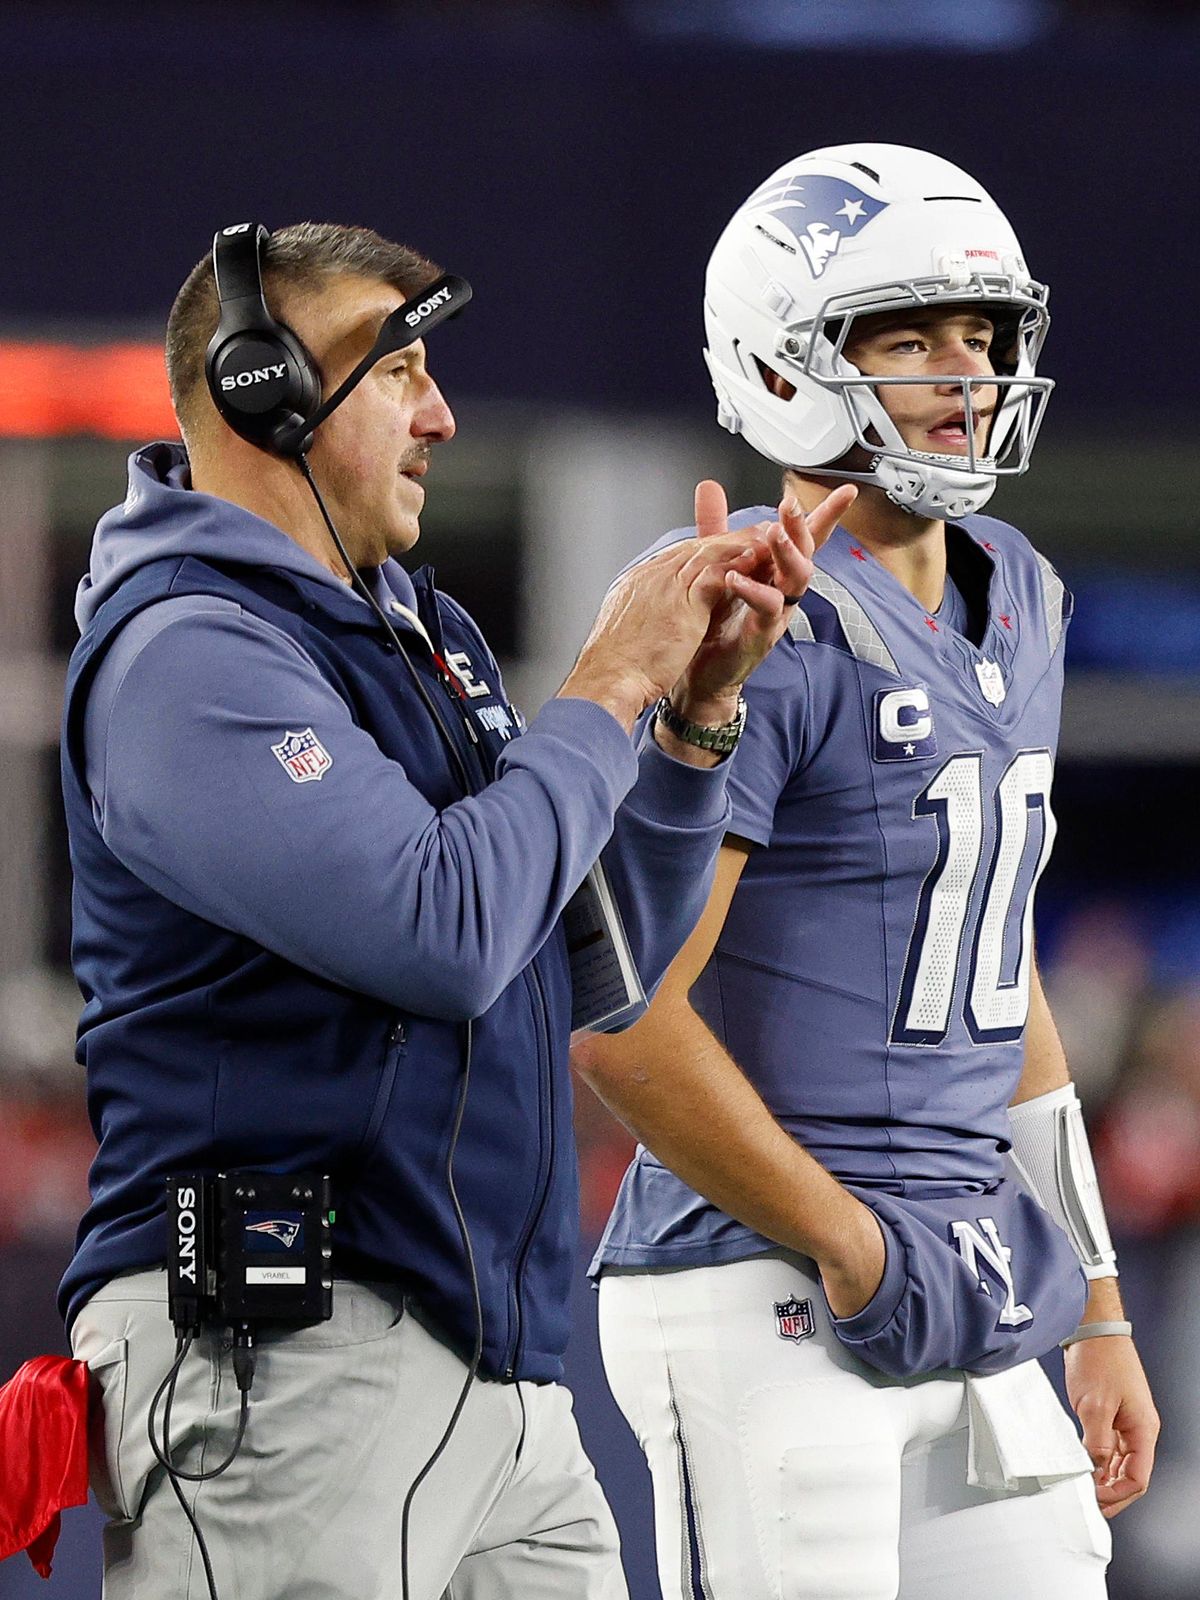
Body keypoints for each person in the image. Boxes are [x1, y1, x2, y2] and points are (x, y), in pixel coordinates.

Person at [57, 221, 838, 1600]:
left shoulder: (423, 634)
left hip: (497, 1359)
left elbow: (596, 962)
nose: (443, 413)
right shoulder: (184, 651)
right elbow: (444, 931)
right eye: (399, 369)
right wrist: (605, 682)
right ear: (265, 391)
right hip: (282, 1361)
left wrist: (695, 718)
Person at [577, 144, 1161, 1600]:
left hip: (967, 1268)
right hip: (761, 1271)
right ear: (789, 360)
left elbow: (993, 964)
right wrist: (846, 1240)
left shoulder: (1015, 588)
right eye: (910, 338)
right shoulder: (750, 611)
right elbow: (626, 1012)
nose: (965, 373)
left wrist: (1096, 1303)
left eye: (982, 335)